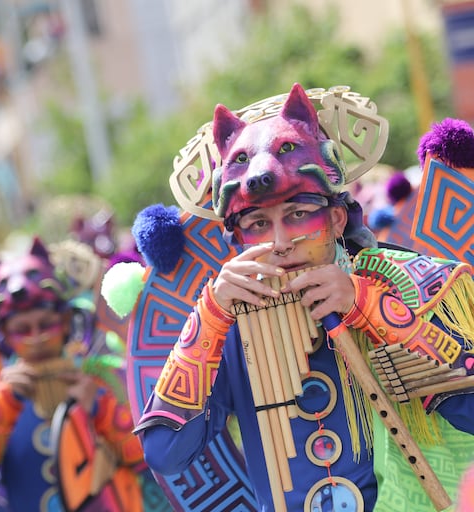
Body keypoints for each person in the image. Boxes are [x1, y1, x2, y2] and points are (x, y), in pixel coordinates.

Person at [134, 83, 474, 511]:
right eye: (257, 223)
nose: (279, 243)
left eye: (297, 215)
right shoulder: (229, 327)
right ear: (236, 239)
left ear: (334, 219)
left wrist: (371, 309)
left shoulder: (407, 284)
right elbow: (166, 453)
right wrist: (211, 315)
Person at [0, 236, 145, 511]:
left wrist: (99, 406)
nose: (36, 337)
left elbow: (147, 463)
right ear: (4, 334)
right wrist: (3, 403)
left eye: (46, 324)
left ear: (65, 322)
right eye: (22, 329)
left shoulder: (103, 378)